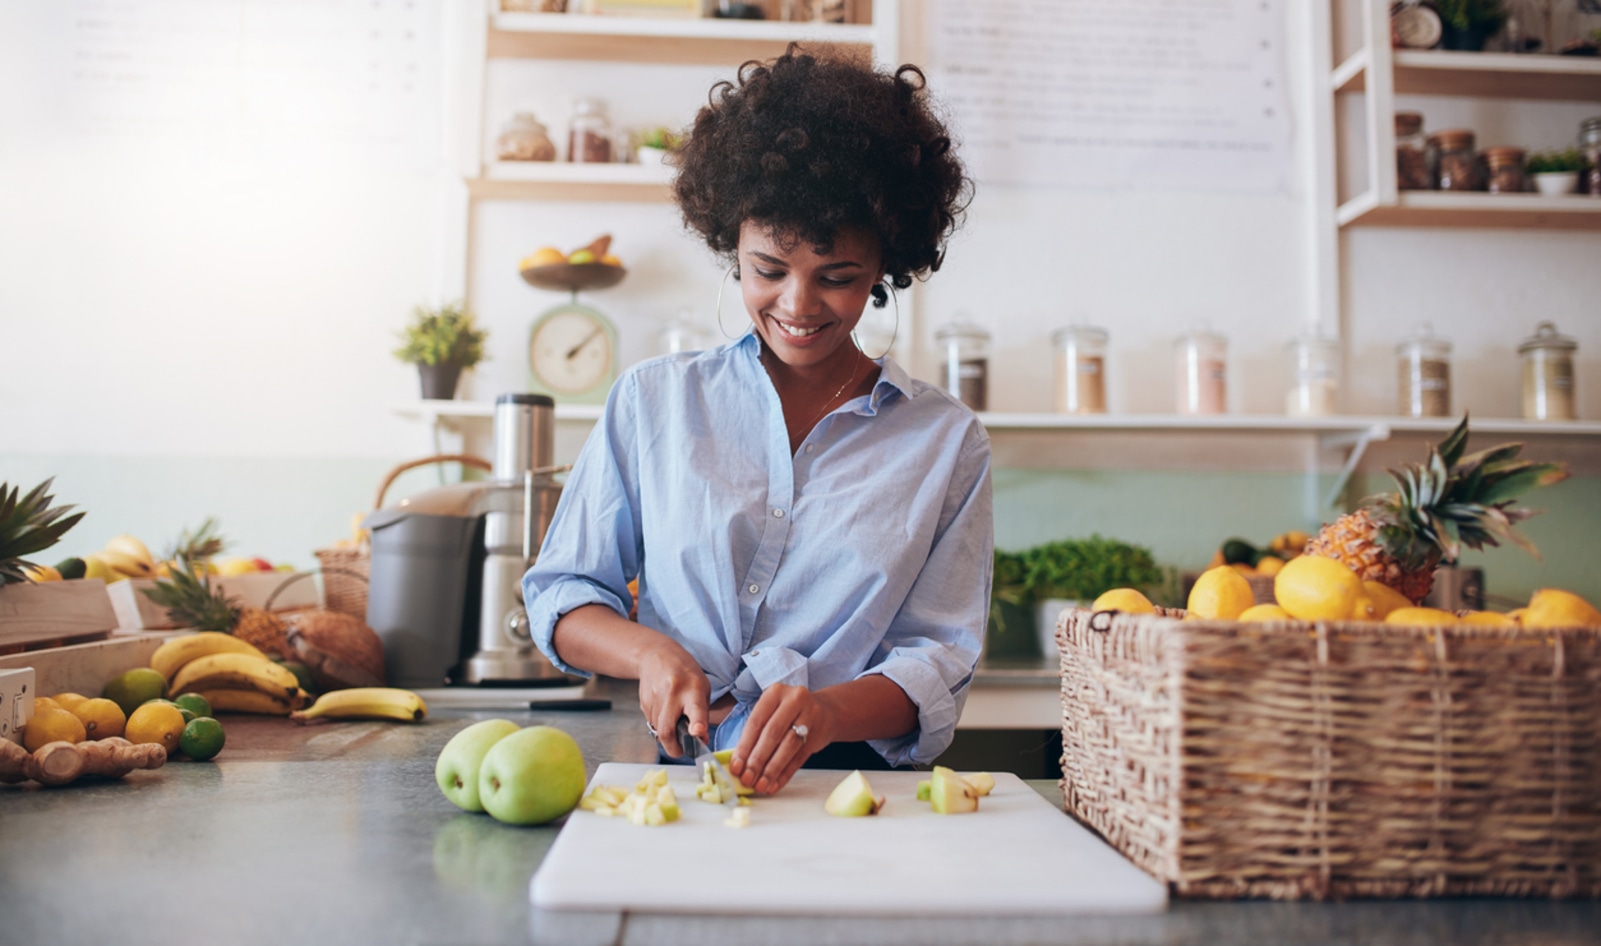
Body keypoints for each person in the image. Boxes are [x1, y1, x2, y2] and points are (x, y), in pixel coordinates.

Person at [523, 46, 988, 796]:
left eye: (836, 278)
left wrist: (829, 712)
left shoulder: (945, 442)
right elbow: (563, 591)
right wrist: (650, 653)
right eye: (767, 269)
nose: (798, 306)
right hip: (682, 786)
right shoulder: (653, 402)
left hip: (855, 792)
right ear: (729, 246)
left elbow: (938, 655)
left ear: (883, 270)